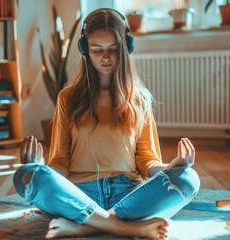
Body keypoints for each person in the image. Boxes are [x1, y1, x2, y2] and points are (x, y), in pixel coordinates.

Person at [14, 8, 200, 240]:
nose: (106, 57)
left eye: (113, 49)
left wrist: (172, 166)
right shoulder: (67, 98)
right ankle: (128, 227)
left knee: (189, 179)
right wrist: (40, 167)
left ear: (126, 48)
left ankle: (86, 225)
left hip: (129, 193)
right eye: (97, 49)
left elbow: (146, 160)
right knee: (26, 176)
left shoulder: (139, 98)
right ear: (84, 50)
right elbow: (60, 161)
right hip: (79, 193)